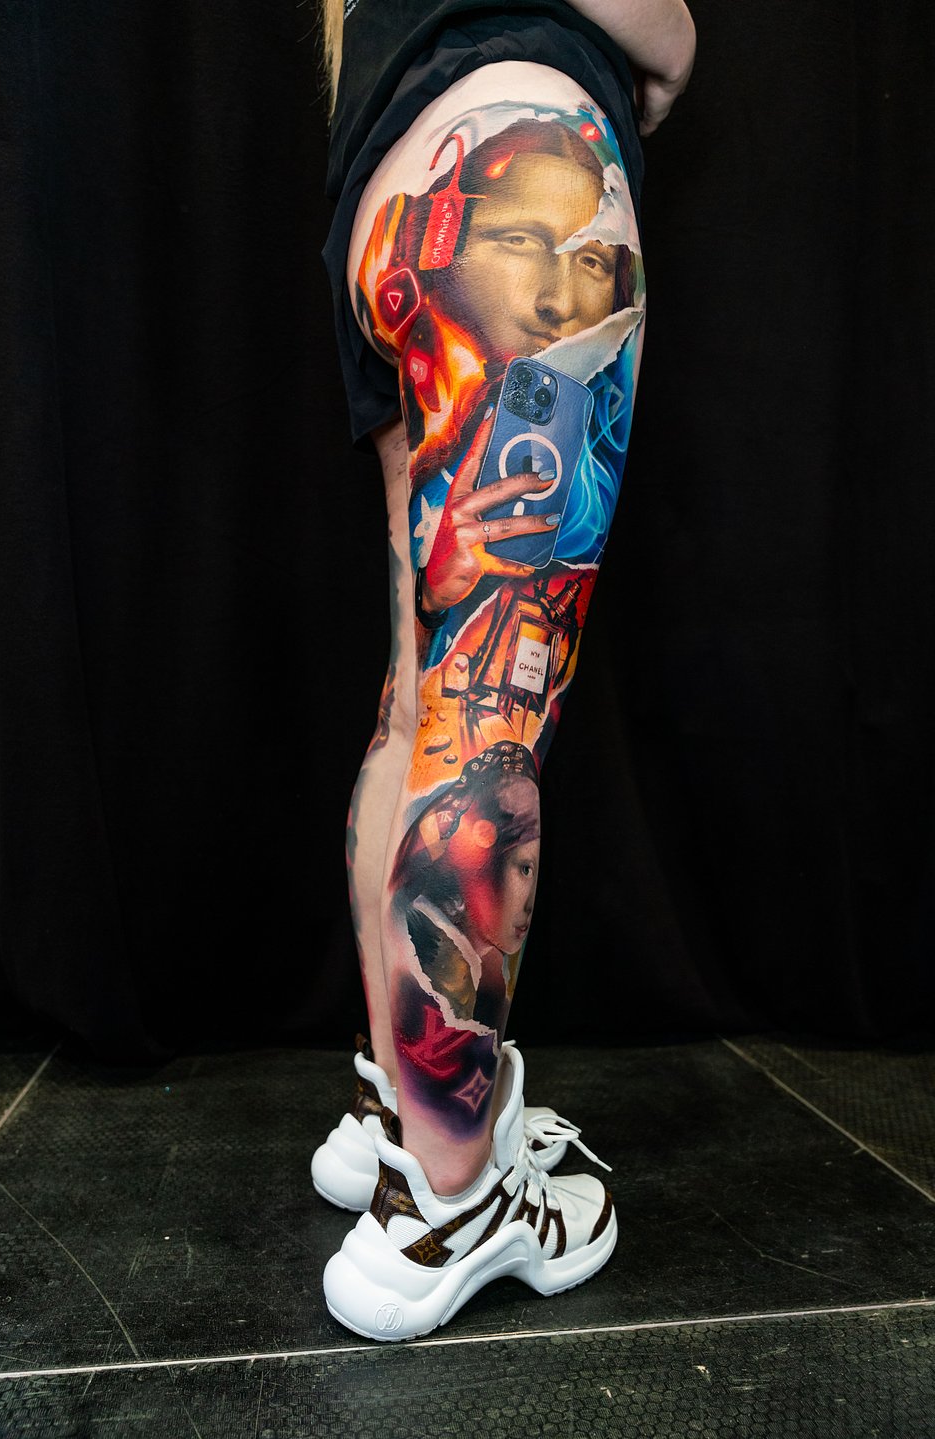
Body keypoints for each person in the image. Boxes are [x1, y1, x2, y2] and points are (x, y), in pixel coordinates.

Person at [310, 0, 696, 1341]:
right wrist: (671, 44)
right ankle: (450, 1200)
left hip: (384, 195)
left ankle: (396, 1114)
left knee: (422, 700)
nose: (547, 279)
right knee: (488, 729)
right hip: (526, 117)